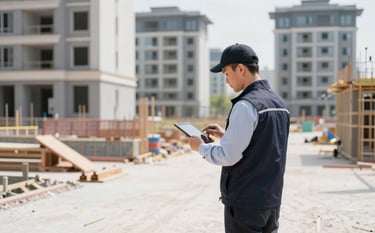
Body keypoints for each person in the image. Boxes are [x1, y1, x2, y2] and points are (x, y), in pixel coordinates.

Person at [188, 43, 290, 233]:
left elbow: (228, 155)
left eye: (226, 73)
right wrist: (227, 135)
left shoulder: (245, 105)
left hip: (246, 203)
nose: (226, 80)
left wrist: (200, 147)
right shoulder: (279, 103)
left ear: (241, 69)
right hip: (271, 201)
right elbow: (262, 145)